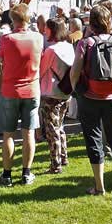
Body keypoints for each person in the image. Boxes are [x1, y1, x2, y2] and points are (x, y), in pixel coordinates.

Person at [70, 5, 112, 194]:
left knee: (93, 139)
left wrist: (75, 89)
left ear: (90, 22)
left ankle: (99, 186)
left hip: (89, 96)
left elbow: (75, 71)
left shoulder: (84, 43)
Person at [0, 3, 43, 186]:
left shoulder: (7, 40)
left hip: (10, 90)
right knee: (28, 133)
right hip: (31, 89)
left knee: (8, 134)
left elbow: (0, 59)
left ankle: (7, 174)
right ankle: (26, 173)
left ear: (13, 20)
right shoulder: (38, 38)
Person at [38, 18, 74, 174]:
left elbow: (41, 70)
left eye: (46, 28)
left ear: (52, 30)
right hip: (65, 92)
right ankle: (63, 157)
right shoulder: (68, 47)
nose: (44, 31)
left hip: (50, 92)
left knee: (52, 130)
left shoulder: (51, 51)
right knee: (60, 127)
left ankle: (55, 164)